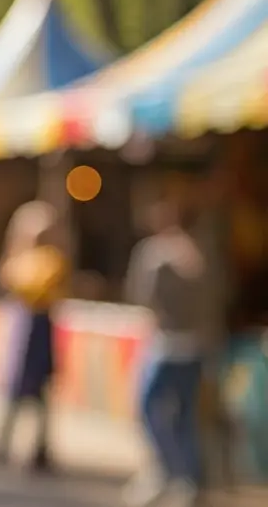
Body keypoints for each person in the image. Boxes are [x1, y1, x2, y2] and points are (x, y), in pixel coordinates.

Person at [123, 199, 208, 507]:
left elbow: (144, 297)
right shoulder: (197, 253)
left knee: (148, 408)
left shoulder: (156, 254)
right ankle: (188, 478)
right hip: (194, 346)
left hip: (166, 345)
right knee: (185, 415)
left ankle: (166, 473)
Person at [0, 201, 67, 471]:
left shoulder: (49, 259)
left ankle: (39, 447)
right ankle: (4, 441)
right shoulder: (21, 258)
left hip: (39, 329)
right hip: (24, 328)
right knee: (15, 389)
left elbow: (34, 287)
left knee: (40, 394)